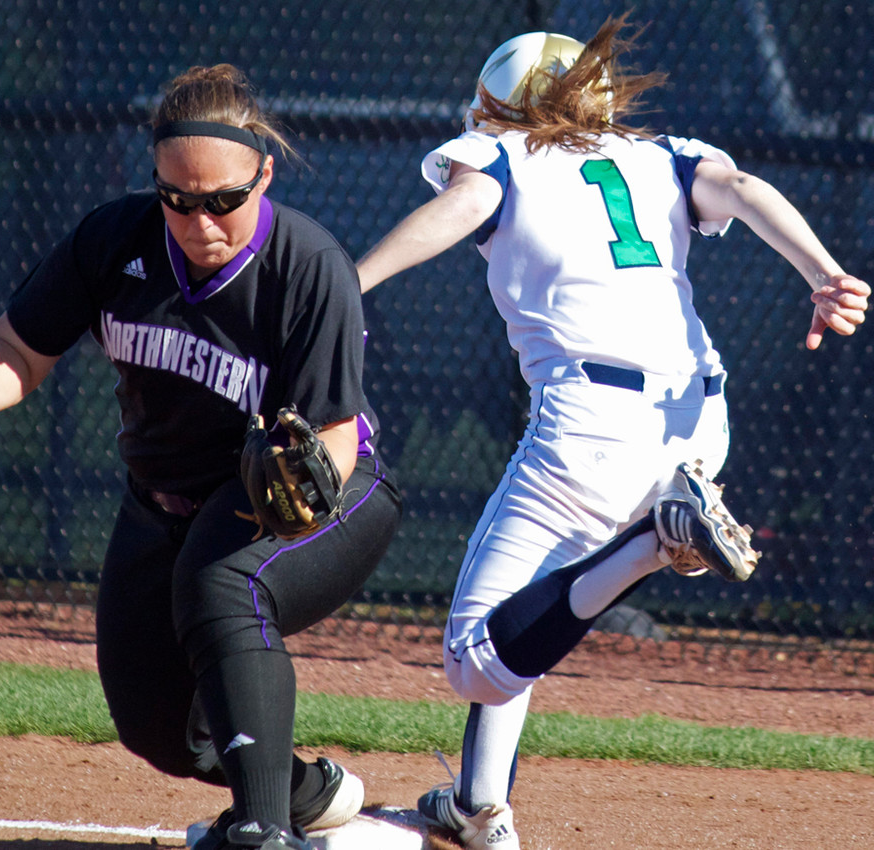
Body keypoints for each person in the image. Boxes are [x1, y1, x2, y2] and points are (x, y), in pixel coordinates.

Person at [355, 15, 868, 850]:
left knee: (474, 658)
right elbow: (742, 191)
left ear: (513, 108)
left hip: (592, 427)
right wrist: (823, 272)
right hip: (699, 419)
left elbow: (469, 202)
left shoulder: (504, 155)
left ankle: (657, 541)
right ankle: (479, 807)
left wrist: (353, 280)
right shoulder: (662, 154)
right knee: (534, 604)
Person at [0, 64, 402, 850]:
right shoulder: (114, 241)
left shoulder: (307, 265)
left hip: (333, 496)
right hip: (160, 504)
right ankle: (301, 790)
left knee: (221, 580)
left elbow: (335, 438)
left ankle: (260, 832)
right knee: (157, 728)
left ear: (265, 174)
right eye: (177, 199)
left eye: (223, 199)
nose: (200, 219)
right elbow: (18, 345)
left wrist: (293, 493)